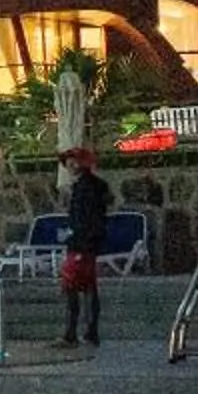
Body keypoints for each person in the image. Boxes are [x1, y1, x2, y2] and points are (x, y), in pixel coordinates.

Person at [59, 146, 113, 348]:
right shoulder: (93, 186)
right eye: (68, 161)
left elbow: (86, 218)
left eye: (73, 161)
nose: (69, 165)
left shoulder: (85, 188)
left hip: (81, 243)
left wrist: (76, 236)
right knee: (89, 286)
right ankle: (89, 332)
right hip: (88, 242)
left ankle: (71, 333)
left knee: (71, 286)